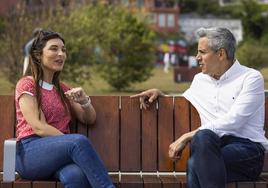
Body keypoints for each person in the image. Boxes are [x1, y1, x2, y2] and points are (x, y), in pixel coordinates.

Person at [131, 27, 267, 188]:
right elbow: (182, 102)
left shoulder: (250, 78)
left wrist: (187, 136)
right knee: (202, 145)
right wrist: (160, 94)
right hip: (210, 149)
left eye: (202, 52)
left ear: (221, 54)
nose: (197, 58)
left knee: (196, 158)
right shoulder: (199, 80)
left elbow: (234, 120)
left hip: (246, 152)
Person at [15, 29, 115, 188]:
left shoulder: (62, 88)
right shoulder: (27, 84)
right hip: (30, 153)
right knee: (78, 141)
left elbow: (88, 118)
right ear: (38, 55)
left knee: (77, 177)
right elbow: (39, 127)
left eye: (63, 50)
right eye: (54, 49)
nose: (61, 54)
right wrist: (69, 143)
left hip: (59, 155)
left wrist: (84, 102)